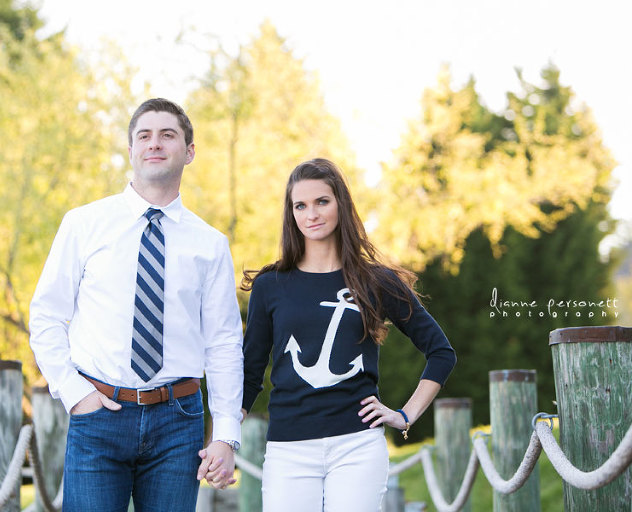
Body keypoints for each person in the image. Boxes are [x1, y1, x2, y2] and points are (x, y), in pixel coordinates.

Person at [29, 98, 243, 512]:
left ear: (189, 151)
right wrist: (74, 393)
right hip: (99, 414)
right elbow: (46, 315)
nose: (154, 143)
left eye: (168, 135)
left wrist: (225, 434)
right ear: (130, 150)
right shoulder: (84, 224)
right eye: (144, 135)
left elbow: (223, 343)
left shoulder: (210, 244)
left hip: (178, 423)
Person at [240, 158, 456, 512]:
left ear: (341, 203)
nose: (311, 214)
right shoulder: (270, 286)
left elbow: (442, 353)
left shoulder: (377, 282)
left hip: (357, 447)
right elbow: (250, 374)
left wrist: (405, 415)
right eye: (300, 205)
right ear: (291, 214)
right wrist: (224, 438)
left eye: (322, 201)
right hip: (289, 449)